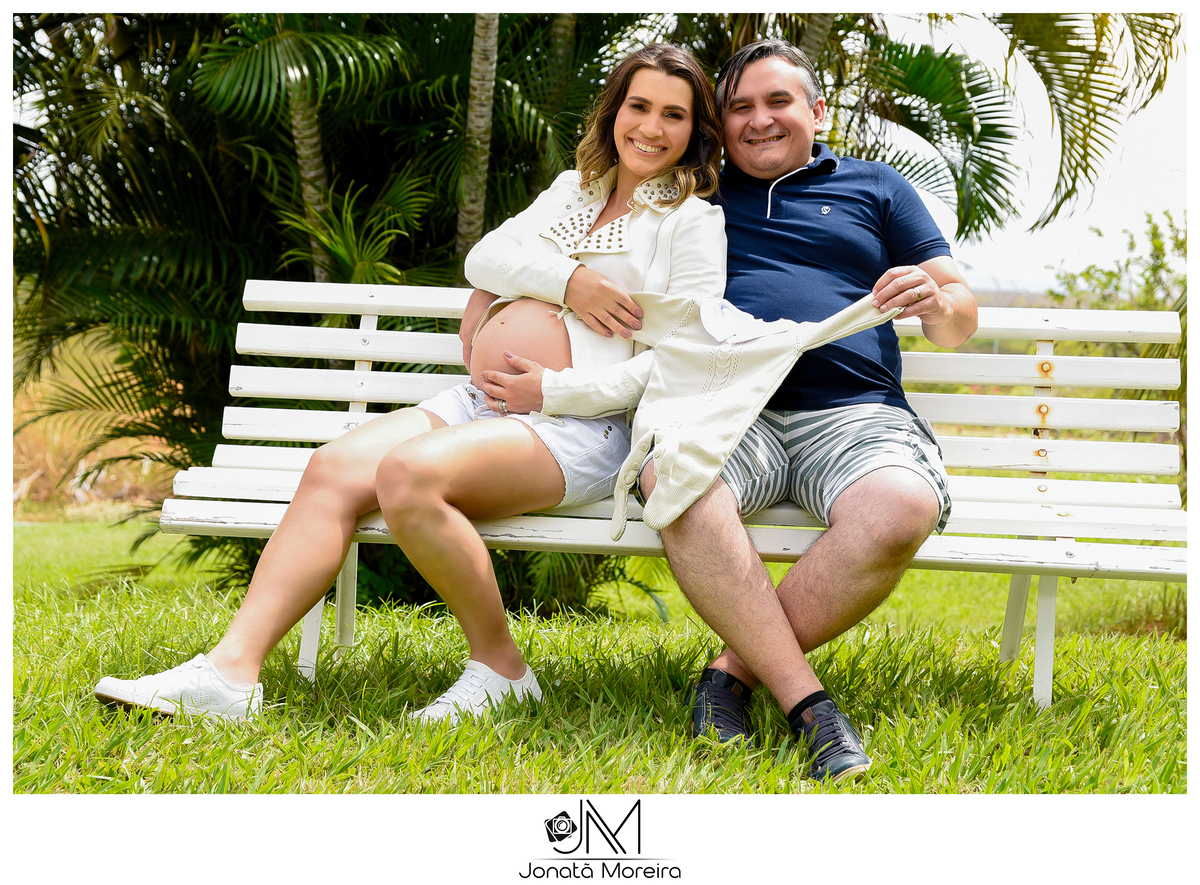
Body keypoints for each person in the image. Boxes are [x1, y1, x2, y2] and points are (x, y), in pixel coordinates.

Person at [93, 43, 727, 723]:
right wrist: (568, 281)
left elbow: (680, 360)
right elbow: (486, 256)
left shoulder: (691, 221)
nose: (651, 128)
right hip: (484, 402)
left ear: (695, 130)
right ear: (613, 112)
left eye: (673, 114)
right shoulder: (575, 190)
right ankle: (231, 673)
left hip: (582, 426)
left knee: (407, 475)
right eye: (638, 106)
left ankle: (502, 670)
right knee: (333, 468)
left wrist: (554, 392)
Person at [495, 39, 978, 783]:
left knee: (902, 507)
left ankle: (730, 677)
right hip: (721, 402)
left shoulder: (876, 187)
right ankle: (809, 705)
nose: (759, 119)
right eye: (740, 107)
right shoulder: (690, 196)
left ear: (817, 111)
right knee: (672, 480)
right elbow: (562, 241)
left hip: (853, 409)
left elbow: (959, 312)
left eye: (778, 101)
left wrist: (937, 301)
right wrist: (492, 307)